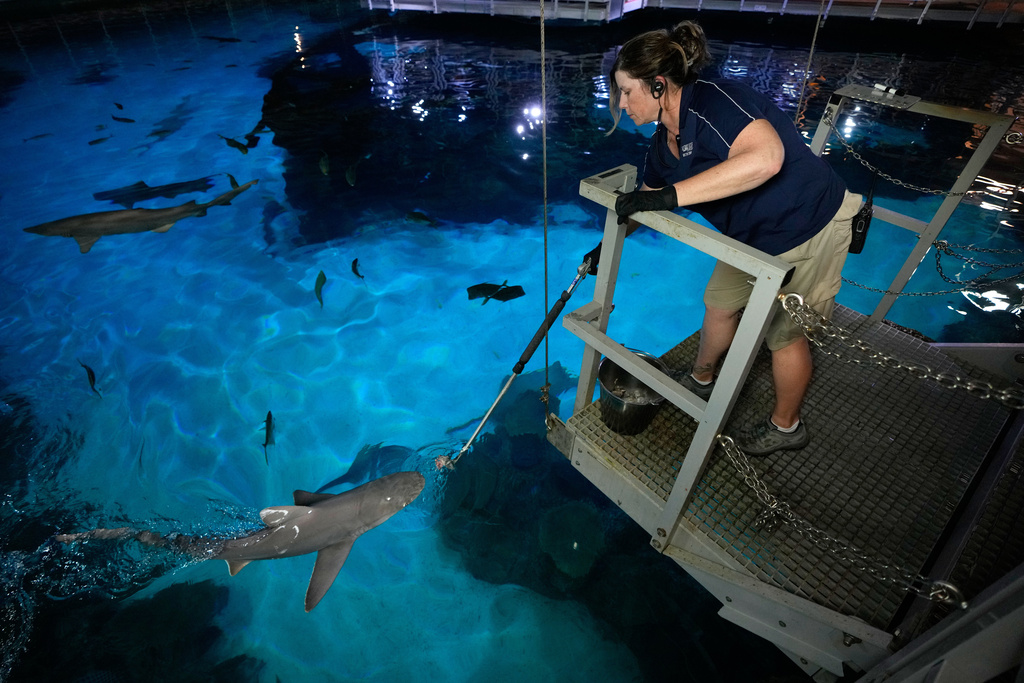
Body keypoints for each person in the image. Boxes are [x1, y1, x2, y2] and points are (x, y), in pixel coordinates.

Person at [588, 20, 862, 456]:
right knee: (719, 303)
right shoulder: (662, 144)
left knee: (785, 336)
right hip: (751, 239)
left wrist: (673, 197)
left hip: (809, 225)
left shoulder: (716, 101)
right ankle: (701, 379)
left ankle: (787, 426)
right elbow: (649, 199)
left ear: (658, 86)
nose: (620, 102)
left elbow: (766, 159)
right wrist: (610, 240)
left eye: (626, 90)